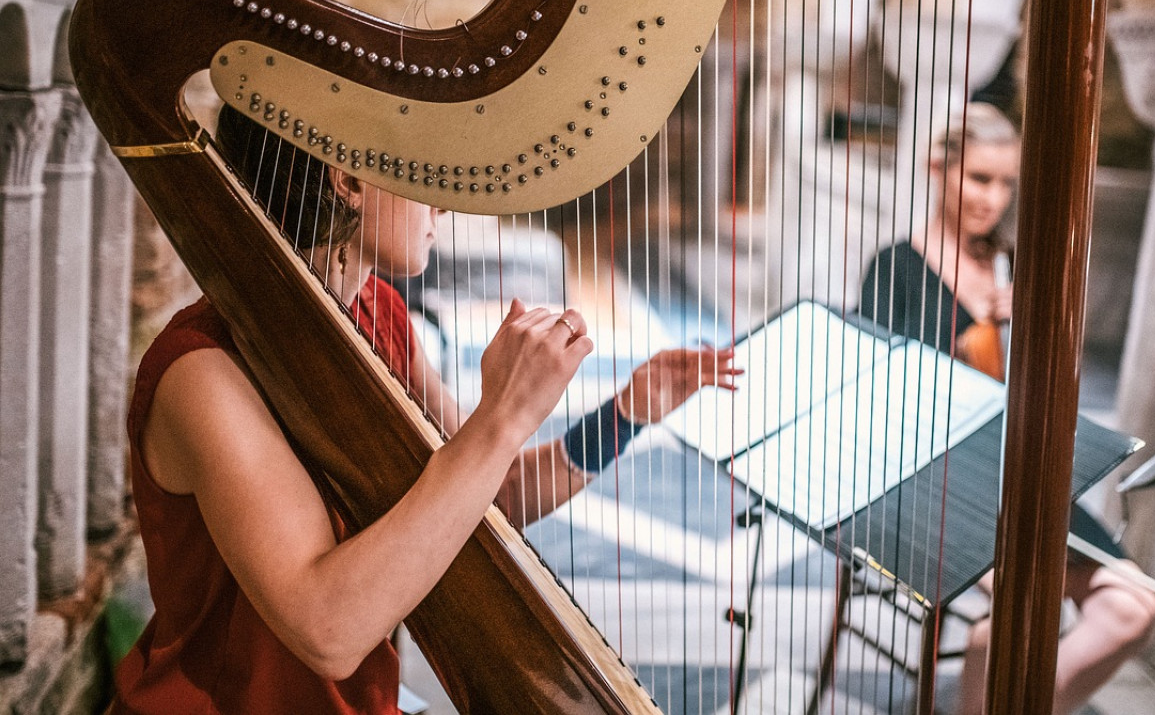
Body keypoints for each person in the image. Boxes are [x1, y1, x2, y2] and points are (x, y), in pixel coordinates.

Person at [111, 105, 740, 714]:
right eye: (422, 170)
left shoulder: (381, 316)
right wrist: (504, 416)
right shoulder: (201, 372)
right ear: (350, 179)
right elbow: (326, 630)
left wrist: (625, 415)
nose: (439, 200)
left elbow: (494, 494)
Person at [856, 102, 1155, 715]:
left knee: (1134, 607)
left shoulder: (1012, 267)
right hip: (934, 483)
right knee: (1025, 620)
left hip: (1021, 477)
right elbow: (885, 398)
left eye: (1004, 184)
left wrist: (1037, 320)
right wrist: (973, 335)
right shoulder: (896, 268)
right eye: (979, 178)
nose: (992, 199)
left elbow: (1049, 386)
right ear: (936, 169)